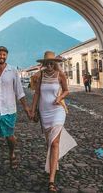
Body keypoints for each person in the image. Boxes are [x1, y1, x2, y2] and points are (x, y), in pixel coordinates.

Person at [0, 46, 30, 189]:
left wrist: (26, 108)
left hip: (9, 110)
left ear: (6, 56)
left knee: (10, 138)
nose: (1, 56)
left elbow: (19, 92)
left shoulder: (13, 71)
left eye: (4, 54)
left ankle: (12, 153)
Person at [30, 51, 77, 192]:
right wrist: (32, 110)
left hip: (58, 111)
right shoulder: (40, 76)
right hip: (44, 112)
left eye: (52, 63)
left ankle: (51, 180)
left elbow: (66, 90)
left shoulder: (60, 75)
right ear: (44, 64)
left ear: (55, 63)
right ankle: (53, 163)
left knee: (55, 142)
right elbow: (37, 93)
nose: (49, 65)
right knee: (48, 142)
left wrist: (60, 98)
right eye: (47, 63)